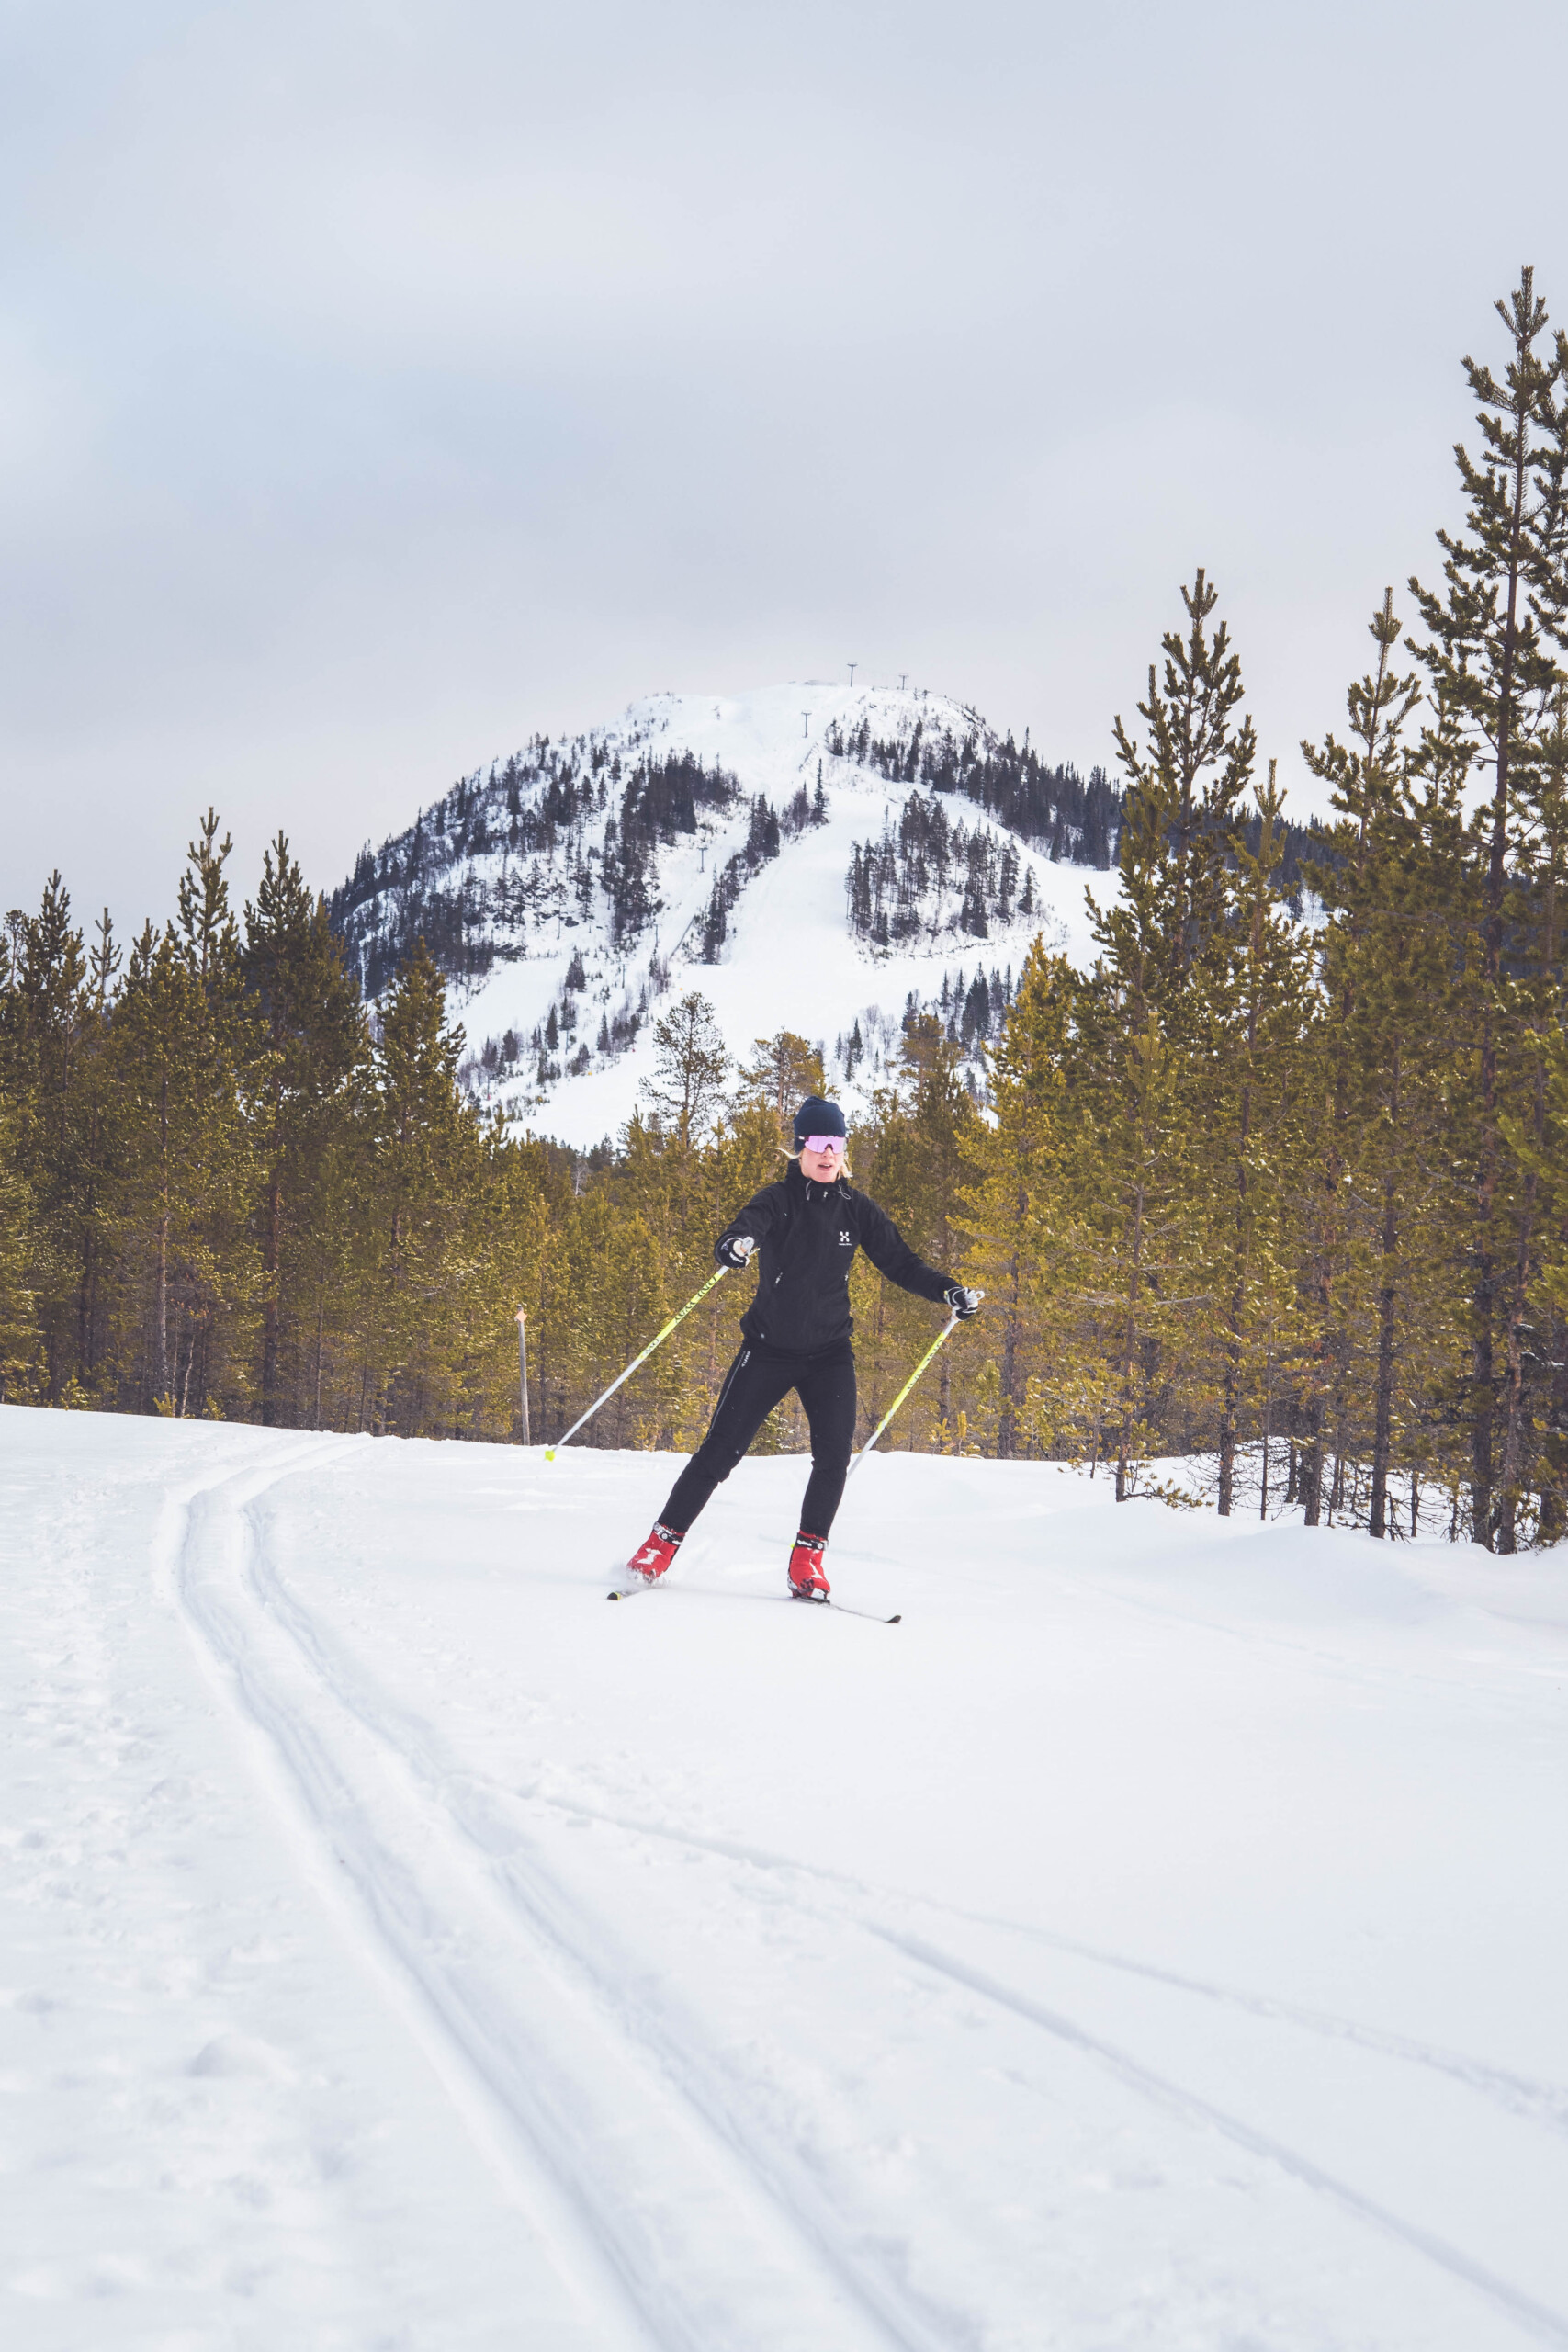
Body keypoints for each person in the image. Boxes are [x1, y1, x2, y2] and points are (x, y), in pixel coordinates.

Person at [622, 1094, 981, 1600]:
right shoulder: (778, 1199)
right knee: (719, 1453)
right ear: (798, 1149)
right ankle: (660, 1544)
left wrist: (949, 1290)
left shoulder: (857, 1209)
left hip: (829, 1355)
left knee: (833, 1457)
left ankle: (806, 1561)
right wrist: (735, 1246)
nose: (828, 1154)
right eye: (817, 1144)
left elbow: (901, 1262)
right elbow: (744, 1228)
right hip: (767, 1349)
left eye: (836, 1144)